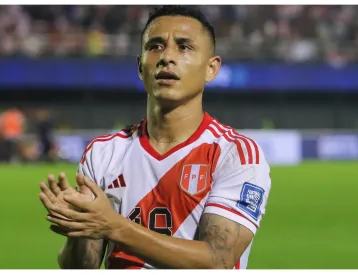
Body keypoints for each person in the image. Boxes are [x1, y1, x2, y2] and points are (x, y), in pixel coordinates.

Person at [39, 5, 271, 269]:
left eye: (184, 47)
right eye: (155, 46)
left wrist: (114, 227)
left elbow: (218, 260)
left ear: (212, 68)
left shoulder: (235, 154)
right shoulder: (103, 152)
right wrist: (79, 226)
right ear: (140, 67)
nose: (167, 57)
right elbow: (82, 267)